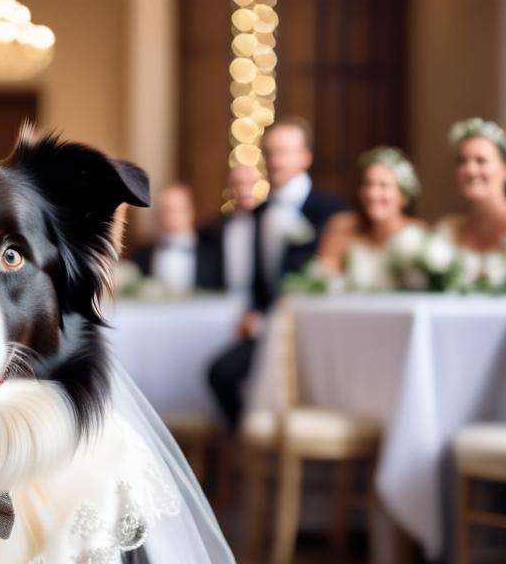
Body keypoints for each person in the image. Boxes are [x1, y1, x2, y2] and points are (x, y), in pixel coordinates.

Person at [207, 117, 345, 426]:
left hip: (314, 331)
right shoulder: (258, 213)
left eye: (284, 152)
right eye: (270, 152)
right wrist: (254, 311)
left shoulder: (332, 211)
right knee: (220, 373)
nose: (275, 160)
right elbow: (261, 283)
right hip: (269, 329)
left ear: (305, 157)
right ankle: (247, 456)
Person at [317, 146, 423, 285]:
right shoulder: (341, 227)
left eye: (383, 185)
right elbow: (321, 282)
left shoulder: (417, 233)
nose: (372, 194)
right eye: (367, 184)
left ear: (403, 195)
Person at [434, 118, 506, 254]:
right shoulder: (448, 231)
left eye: (481, 160)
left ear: (504, 168)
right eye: (462, 161)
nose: (470, 170)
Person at [130, 183, 214, 293]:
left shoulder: (212, 253)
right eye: (164, 210)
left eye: (175, 210)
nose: (169, 216)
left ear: (190, 211)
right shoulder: (141, 255)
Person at [197, 163, 261, 296]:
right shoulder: (213, 229)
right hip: (223, 301)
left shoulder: (268, 223)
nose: (244, 191)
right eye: (238, 184)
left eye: (251, 184)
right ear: (230, 188)